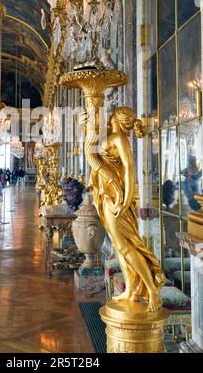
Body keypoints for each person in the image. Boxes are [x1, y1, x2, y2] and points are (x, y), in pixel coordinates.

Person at [81, 106, 166, 312]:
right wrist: (85, 126)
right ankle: (131, 290)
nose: (109, 114)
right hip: (106, 195)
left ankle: (152, 290)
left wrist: (126, 200)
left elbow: (129, 169)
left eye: (113, 112)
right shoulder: (109, 136)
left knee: (127, 246)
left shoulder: (120, 138)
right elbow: (93, 153)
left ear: (118, 117)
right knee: (119, 247)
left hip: (116, 197)